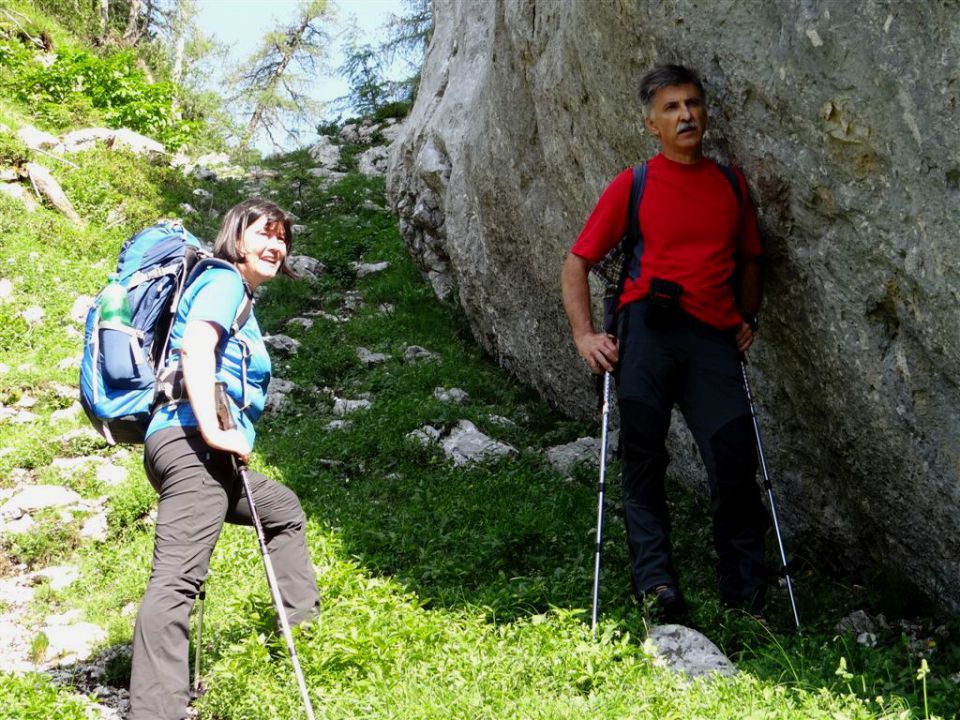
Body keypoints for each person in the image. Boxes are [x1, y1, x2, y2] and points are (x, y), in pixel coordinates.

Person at [560, 64, 770, 621]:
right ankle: (658, 586)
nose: (687, 115)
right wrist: (585, 335)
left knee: (733, 460)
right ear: (651, 122)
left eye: (693, 104)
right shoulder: (635, 183)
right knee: (644, 460)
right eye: (673, 107)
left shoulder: (731, 184)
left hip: (712, 340)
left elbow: (752, 258)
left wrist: (748, 314)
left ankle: (745, 592)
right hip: (646, 332)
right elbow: (577, 262)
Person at [129, 199, 320, 720]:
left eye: (283, 238)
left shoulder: (238, 297)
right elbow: (195, 347)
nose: (277, 246)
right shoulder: (223, 282)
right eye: (266, 234)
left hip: (200, 451)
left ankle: (305, 635)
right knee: (177, 579)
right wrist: (215, 430)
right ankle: (156, 710)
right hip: (193, 443)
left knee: (281, 509)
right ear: (238, 239)